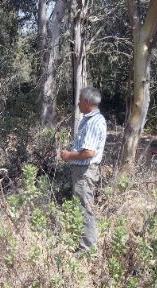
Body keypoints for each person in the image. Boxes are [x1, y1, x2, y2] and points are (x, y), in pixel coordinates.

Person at [60, 87, 107, 250]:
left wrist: (69, 155)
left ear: (87, 102)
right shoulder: (89, 119)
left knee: (84, 208)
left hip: (85, 171)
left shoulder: (94, 122)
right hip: (82, 171)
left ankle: (87, 248)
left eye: (80, 100)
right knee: (81, 206)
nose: (78, 103)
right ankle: (83, 243)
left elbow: (88, 152)